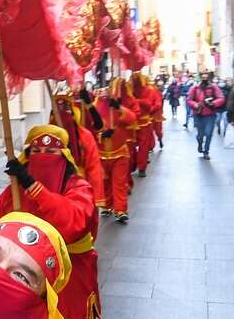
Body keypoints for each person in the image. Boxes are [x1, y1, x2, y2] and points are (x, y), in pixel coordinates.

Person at [0, 126, 101, 319]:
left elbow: (73, 223)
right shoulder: (12, 195)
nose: (44, 158)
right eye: (37, 152)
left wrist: (32, 185)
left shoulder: (79, 188)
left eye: (52, 152)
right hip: (24, 293)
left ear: (64, 157)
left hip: (72, 293)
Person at [51, 91, 106, 210]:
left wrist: (95, 197)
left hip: (81, 190)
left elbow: (94, 168)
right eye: (58, 110)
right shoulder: (46, 135)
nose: (63, 115)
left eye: (66, 109)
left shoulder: (85, 136)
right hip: (54, 191)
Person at [93, 78, 137, 223]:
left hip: (120, 152)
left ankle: (120, 210)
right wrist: (101, 134)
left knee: (119, 182)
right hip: (101, 153)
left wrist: (119, 108)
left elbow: (132, 118)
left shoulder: (119, 105)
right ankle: (106, 205)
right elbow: (89, 128)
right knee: (105, 181)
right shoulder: (95, 106)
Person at [130, 74, 163, 177]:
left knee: (144, 147)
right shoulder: (128, 89)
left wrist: (139, 102)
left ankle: (141, 167)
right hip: (131, 123)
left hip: (145, 122)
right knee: (130, 146)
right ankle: (134, 164)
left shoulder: (150, 90)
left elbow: (153, 105)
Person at [187, 72, 225, 159]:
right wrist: (195, 105)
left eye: (206, 77)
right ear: (200, 78)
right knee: (200, 135)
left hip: (210, 114)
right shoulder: (195, 88)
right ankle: (200, 143)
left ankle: (206, 151)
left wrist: (213, 103)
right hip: (199, 114)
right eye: (203, 77)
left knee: (208, 133)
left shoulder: (214, 87)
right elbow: (189, 100)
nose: (204, 79)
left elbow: (221, 98)